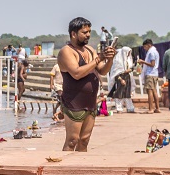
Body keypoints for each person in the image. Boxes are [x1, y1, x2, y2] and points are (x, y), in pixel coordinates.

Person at [57, 17, 115, 152]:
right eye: (84, 32)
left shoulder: (90, 50)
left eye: (89, 31)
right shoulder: (67, 51)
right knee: (72, 141)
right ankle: (66, 170)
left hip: (90, 103)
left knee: (84, 140)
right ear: (73, 34)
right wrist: (99, 58)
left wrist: (109, 59)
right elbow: (76, 73)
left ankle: (79, 167)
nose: (88, 35)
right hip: (74, 103)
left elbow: (102, 70)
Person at [108, 46, 134, 113]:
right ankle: (119, 108)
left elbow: (131, 68)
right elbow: (115, 73)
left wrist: (130, 70)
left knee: (127, 93)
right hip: (120, 78)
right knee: (119, 94)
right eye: (127, 53)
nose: (129, 54)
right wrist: (121, 80)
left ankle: (130, 108)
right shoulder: (118, 61)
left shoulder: (129, 59)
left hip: (127, 77)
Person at [137, 38, 160, 113]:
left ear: (149, 45)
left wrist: (143, 62)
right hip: (154, 73)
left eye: (145, 47)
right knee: (154, 91)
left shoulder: (151, 52)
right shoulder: (155, 51)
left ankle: (151, 109)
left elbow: (152, 64)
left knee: (150, 91)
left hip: (150, 73)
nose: (144, 48)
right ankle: (157, 108)